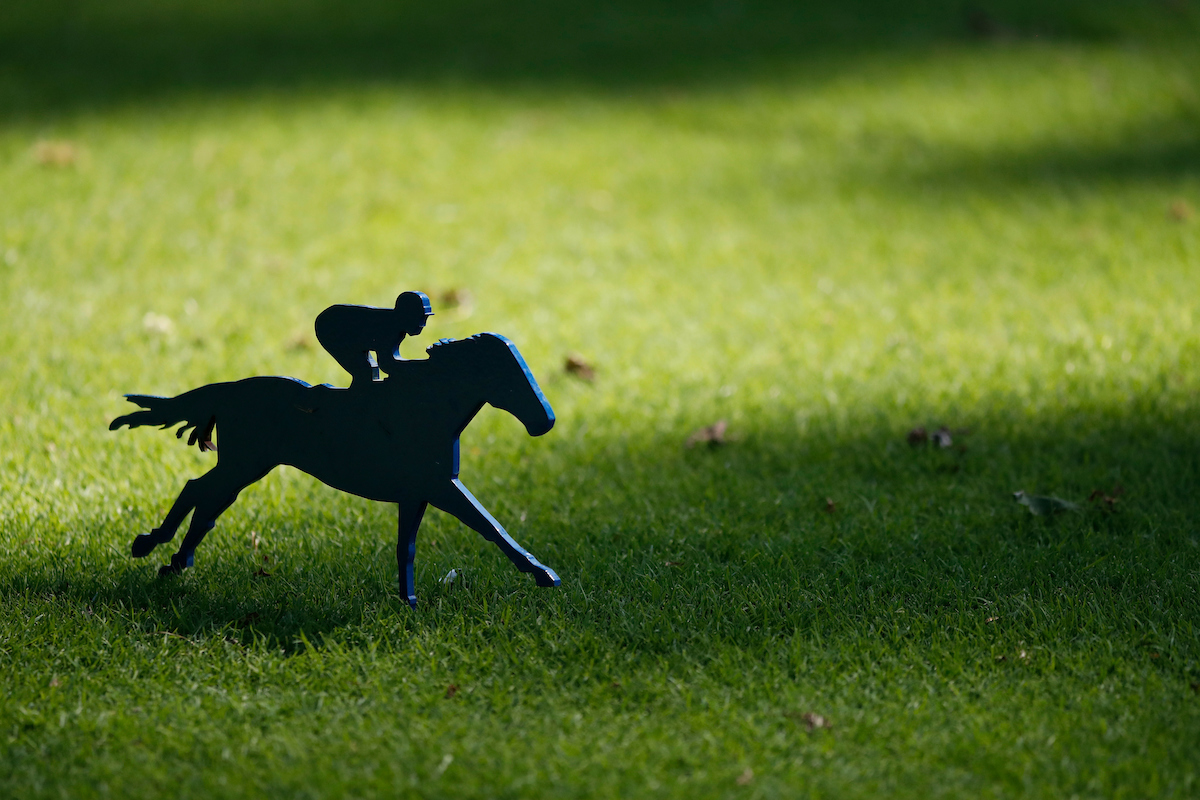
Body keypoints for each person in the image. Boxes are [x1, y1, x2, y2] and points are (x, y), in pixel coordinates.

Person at [315, 291, 433, 387]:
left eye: (425, 319)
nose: (423, 324)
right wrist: (425, 367)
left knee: (368, 372)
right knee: (364, 372)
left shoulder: (396, 326)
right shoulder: (388, 329)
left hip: (338, 323)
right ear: (406, 316)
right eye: (421, 319)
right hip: (332, 328)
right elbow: (387, 364)